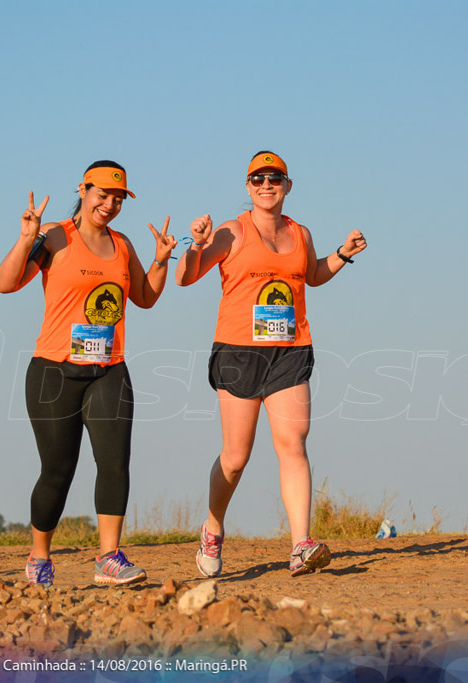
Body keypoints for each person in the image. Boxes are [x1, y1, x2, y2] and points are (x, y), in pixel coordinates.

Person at [176, 151, 367, 577]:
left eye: (275, 178)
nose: (267, 185)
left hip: (290, 348)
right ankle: (212, 526)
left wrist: (342, 253)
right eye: (258, 178)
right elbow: (186, 277)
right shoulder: (231, 231)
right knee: (235, 458)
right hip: (239, 351)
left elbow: (311, 275)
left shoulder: (300, 232)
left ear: (288, 185)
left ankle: (301, 544)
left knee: (293, 441)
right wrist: (198, 244)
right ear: (248, 187)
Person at [0, 160, 176, 586]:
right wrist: (25, 241)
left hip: (108, 370)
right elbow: (6, 283)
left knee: (115, 463)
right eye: (102, 194)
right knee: (58, 469)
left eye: (118, 198)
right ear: (83, 189)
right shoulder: (55, 236)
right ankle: (40, 556)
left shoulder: (123, 244)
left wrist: (162, 261)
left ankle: (108, 557)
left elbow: (145, 297)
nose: (110, 204)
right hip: (53, 372)